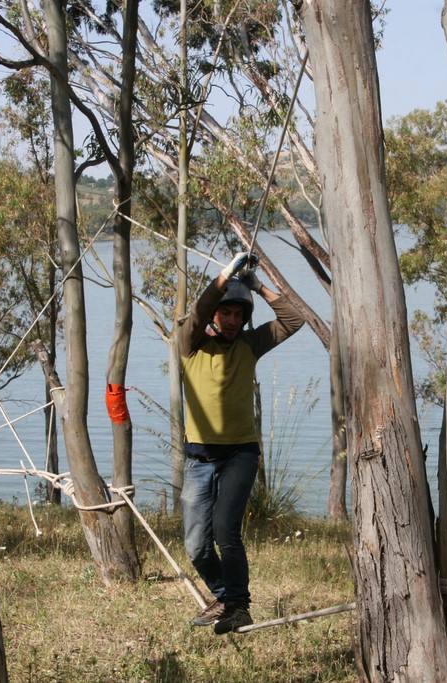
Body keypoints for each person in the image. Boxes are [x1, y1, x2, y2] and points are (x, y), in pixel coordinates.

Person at [179, 251, 305, 634]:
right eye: (226, 313)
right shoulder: (189, 345)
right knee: (196, 546)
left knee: (225, 528)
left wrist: (258, 286)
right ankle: (225, 597)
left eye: (239, 314)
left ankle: (239, 606)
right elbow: (197, 313)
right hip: (198, 459)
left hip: (240, 454)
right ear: (214, 314)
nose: (233, 320)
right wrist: (224, 277)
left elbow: (294, 320)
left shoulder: (250, 345)